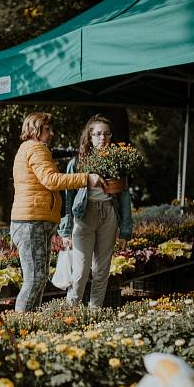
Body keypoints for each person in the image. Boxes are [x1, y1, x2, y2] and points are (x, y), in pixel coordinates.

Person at [10, 112, 97, 312]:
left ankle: (30, 325)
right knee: (34, 279)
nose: (52, 133)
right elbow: (52, 180)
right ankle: (19, 326)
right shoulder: (36, 149)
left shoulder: (29, 148)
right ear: (35, 129)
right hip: (31, 222)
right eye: (47, 129)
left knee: (38, 279)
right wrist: (85, 178)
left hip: (35, 220)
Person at [59, 114, 133, 307]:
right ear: (89, 137)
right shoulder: (77, 163)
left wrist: (125, 231)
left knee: (101, 271)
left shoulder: (117, 162)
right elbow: (67, 199)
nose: (103, 138)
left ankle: (94, 314)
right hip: (84, 215)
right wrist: (65, 230)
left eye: (107, 134)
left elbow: (125, 198)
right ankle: (70, 313)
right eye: (98, 134)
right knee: (80, 272)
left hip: (109, 214)